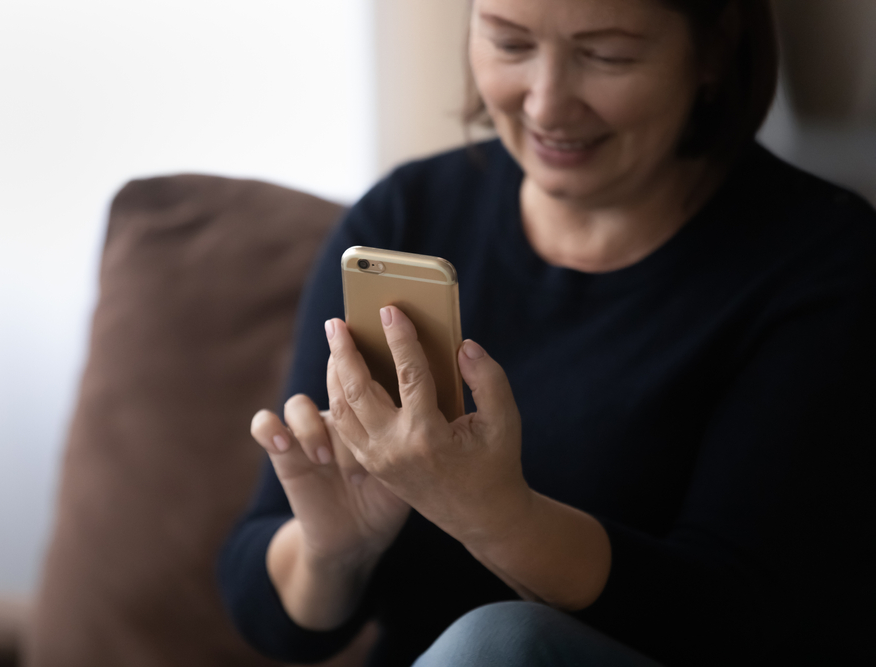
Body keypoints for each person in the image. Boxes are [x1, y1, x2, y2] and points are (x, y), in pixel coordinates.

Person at [219, 0, 876, 664]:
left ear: (712, 51)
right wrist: (335, 547)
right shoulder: (408, 214)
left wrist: (498, 517)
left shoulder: (823, 263)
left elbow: (743, 621)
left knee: (503, 644)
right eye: (509, 44)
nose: (547, 104)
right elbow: (271, 617)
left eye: (606, 55)